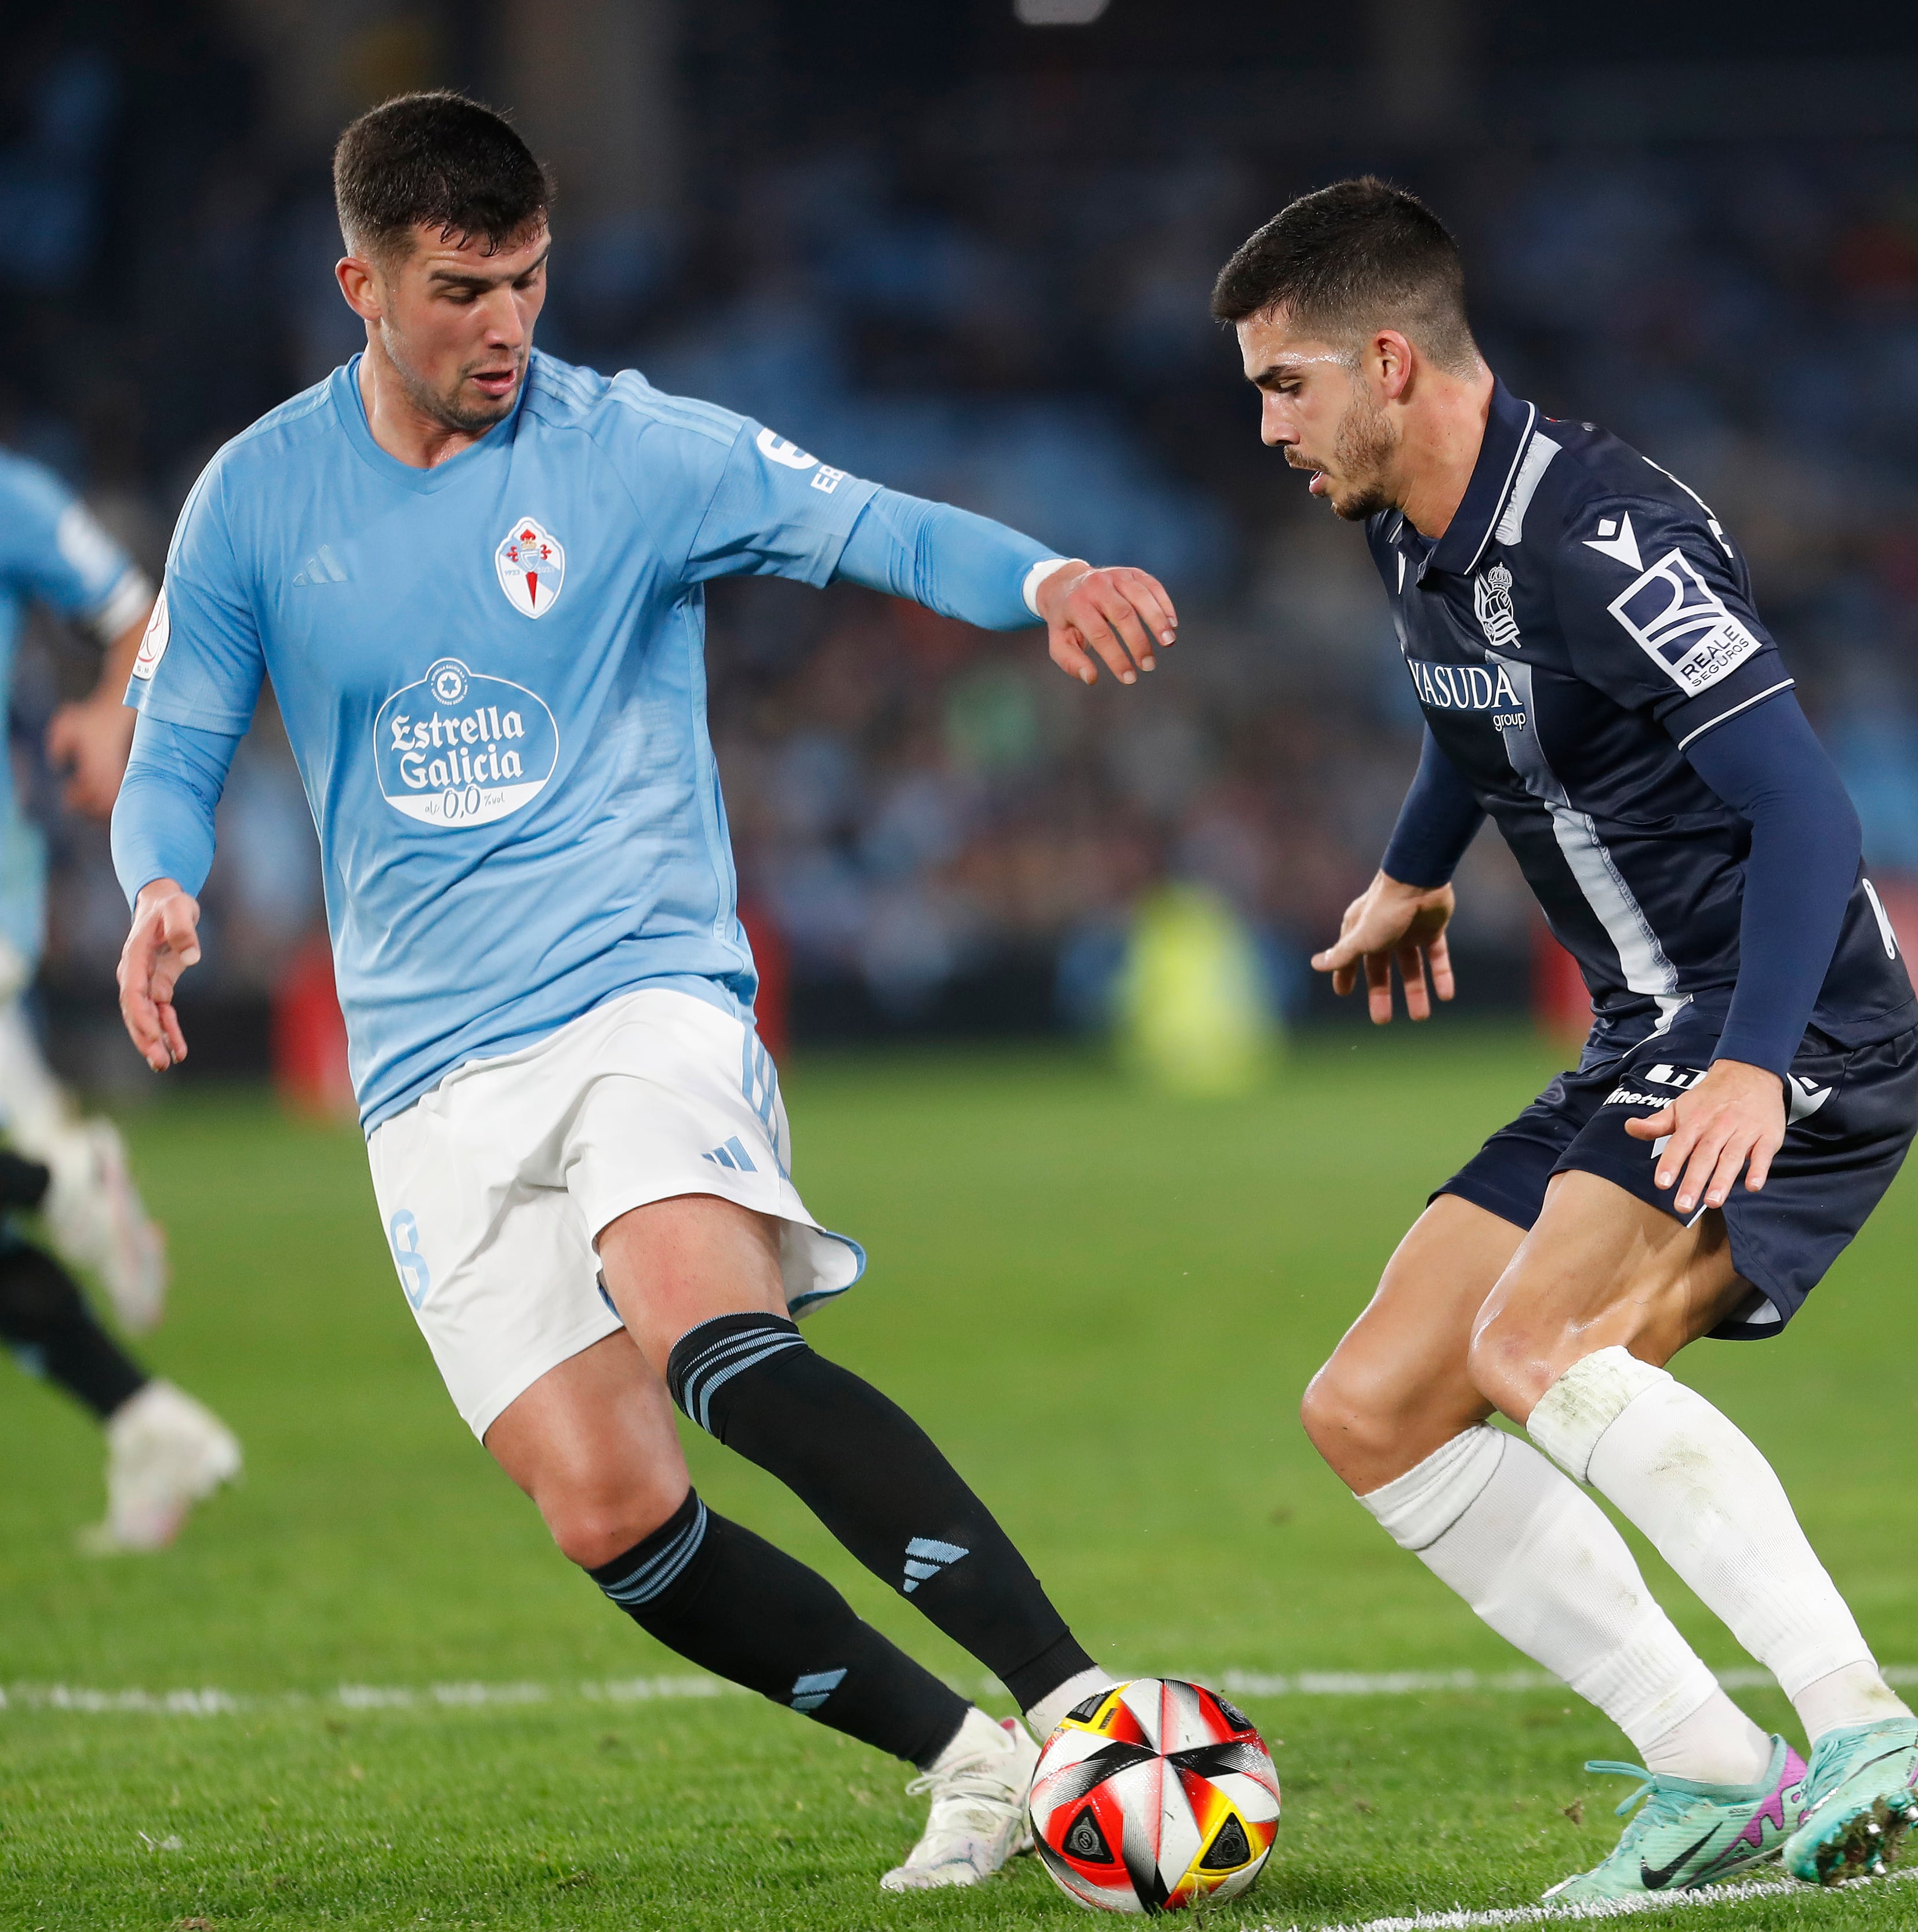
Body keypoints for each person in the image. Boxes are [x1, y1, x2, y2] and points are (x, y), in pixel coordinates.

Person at [108, 93, 1178, 1891]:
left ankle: (1083, 1702)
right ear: (358, 279)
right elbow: (182, 730)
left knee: (711, 1331)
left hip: (638, 989)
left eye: (529, 278)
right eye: (461, 289)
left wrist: (1047, 572)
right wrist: (161, 878)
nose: (506, 324)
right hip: (429, 1066)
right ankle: (971, 1759)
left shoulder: (634, 451)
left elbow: (876, 527)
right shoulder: (255, 494)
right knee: (605, 1506)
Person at [1212, 179, 1918, 1904]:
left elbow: (1806, 808)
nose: (1265, 422)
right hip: (1652, 1022)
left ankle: (1867, 1722)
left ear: (1392, 363)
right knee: (1371, 1407)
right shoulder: (1404, 516)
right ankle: (1708, 1764)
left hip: (1788, 1019)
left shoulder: (1601, 535)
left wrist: (1753, 1058)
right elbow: (1471, 702)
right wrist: (1415, 870)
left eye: (1286, 383)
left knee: (1540, 1339)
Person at [0, 443, 233, 1551]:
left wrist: (109, 714)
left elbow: (143, 611)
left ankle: (54, 1180)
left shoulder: (11, 494)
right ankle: (146, 1419)